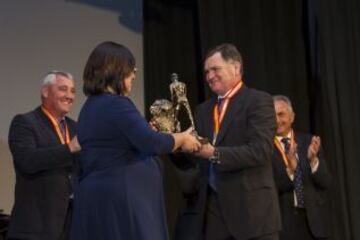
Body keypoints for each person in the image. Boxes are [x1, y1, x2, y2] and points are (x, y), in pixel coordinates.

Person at [70, 41, 201, 240]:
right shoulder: (117, 104)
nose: (134, 75)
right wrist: (182, 138)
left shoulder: (89, 107)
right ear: (116, 70)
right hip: (121, 204)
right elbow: (152, 143)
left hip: (100, 201)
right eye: (131, 69)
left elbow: (120, 142)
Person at [172, 43, 281, 240]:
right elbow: (194, 161)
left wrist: (214, 153)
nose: (209, 76)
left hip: (252, 215)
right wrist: (173, 143)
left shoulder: (258, 101)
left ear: (236, 67)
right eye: (206, 72)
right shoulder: (203, 110)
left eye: (215, 69)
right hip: (212, 214)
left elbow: (260, 150)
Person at [7, 70, 81, 240]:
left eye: (72, 91)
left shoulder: (76, 127)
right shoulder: (25, 123)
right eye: (63, 89)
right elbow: (27, 160)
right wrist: (69, 148)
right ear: (45, 91)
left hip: (71, 227)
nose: (69, 96)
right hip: (36, 228)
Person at [272, 95, 331, 240]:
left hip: (314, 224)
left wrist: (313, 161)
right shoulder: (263, 149)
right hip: (283, 225)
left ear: (292, 117)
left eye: (281, 114)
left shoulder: (309, 142)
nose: (277, 120)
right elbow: (270, 187)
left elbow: (325, 182)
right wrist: (291, 170)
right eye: (272, 116)